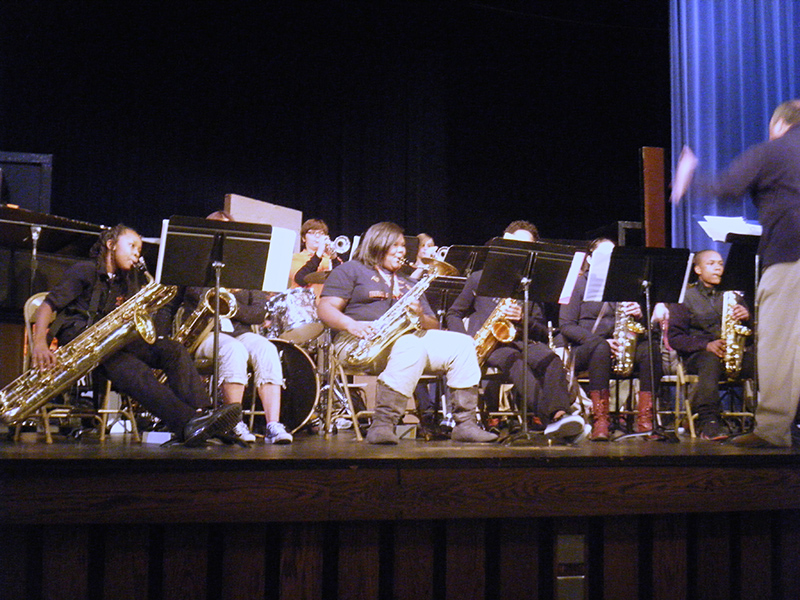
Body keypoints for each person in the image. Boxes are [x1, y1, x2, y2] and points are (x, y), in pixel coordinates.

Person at [31, 224, 241, 446]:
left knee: (173, 350)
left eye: (139, 250)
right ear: (110, 245)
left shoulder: (129, 279)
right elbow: (46, 306)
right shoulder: (84, 270)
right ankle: (188, 423)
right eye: (131, 246)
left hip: (115, 339)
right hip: (84, 341)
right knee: (134, 370)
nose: (136, 254)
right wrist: (39, 343)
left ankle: (204, 414)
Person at [672, 99, 800, 447]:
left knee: (777, 346)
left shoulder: (773, 151)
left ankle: (773, 432)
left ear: (778, 125)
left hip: (790, 256)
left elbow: (726, 189)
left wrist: (688, 177)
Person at [317, 221, 497, 444]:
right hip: (359, 342)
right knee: (410, 345)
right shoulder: (350, 269)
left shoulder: (409, 282)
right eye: (395, 245)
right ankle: (383, 424)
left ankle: (465, 424)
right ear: (377, 244)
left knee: (462, 344)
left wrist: (420, 314)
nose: (402, 250)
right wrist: (351, 324)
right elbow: (325, 308)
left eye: (403, 246)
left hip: (406, 344)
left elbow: (432, 325)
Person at [445, 221, 585, 443]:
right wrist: (465, 342)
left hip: (522, 340)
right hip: (489, 345)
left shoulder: (531, 286)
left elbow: (540, 330)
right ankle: (553, 419)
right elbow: (453, 313)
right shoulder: (479, 278)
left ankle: (560, 414)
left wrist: (522, 318)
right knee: (516, 363)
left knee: (551, 359)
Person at [176, 210, 293, 444]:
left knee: (266, 348)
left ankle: (272, 425)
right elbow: (190, 298)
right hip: (204, 335)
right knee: (233, 350)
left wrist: (231, 305)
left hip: (240, 332)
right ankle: (233, 422)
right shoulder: (194, 267)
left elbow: (258, 313)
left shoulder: (248, 269)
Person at [558, 238, 662, 441]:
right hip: (584, 349)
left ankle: (646, 421)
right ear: (589, 258)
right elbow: (566, 325)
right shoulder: (577, 284)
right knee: (600, 349)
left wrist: (639, 314)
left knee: (650, 349)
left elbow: (641, 328)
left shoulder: (625, 284)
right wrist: (599, 341)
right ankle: (601, 421)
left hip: (619, 346)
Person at [667, 250, 754, 441]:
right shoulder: (685, 297)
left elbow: (751, 334)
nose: (718, 268)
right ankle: (709, 421)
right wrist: (706, 345)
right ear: (698, 269)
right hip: (699, 355)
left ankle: (770, 420)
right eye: (711, 263)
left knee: (763, 361)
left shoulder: (732, 296)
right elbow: (675, 338)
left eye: (720, 264)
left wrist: (747, 317)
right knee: (710, 360)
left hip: (733, 355)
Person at [290, 218, 344, 296]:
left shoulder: (331, 258)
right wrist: (319, 253)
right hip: (303, 304)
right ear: (303, 238)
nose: (317, 236)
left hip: (327, 304)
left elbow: (343, 279)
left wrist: (334, 257)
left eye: (321, 233)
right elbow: (300, 279)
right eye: (312, 233)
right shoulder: (295, 257)